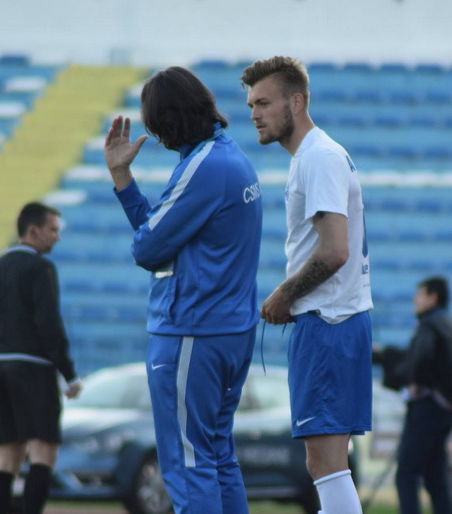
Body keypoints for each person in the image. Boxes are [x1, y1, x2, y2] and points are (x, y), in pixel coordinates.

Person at [102, 66, 262, 514]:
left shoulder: (203, 167)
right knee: (216, 458)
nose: (158, 137)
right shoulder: (231, 158)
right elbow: (162, 237)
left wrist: (124, 185)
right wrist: (122, 177)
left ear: (170, 120)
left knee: (189, 465)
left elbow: (147, 248)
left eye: (157, 127)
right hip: (228, 330)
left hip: (193, 330)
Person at [241, 56, 372, 514]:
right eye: (251, 104)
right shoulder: (315, 155)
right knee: (330, 462)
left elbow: (335, 250)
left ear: (296, 102)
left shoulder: (317, 157)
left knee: (325, 464)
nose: (254, 113)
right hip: (339, 321)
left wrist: (285, 293)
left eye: (264, 102)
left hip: (328, 323)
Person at [0, 202, 83, 514]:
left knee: (7, 458)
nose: (57, 237)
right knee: (43, 454)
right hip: (33, 368)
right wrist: (69, 373)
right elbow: (48, 323)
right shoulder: (40, 268)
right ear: (33, 231)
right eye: (53, 230)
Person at [391, 276, 452, 514]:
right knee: (435, 476)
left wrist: (415, 382)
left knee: (406, 474)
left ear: (433, 297)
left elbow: (421, 358)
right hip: (446, 409)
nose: (414, 300)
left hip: (427, 408)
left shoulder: (429, 324)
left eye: (419, 294)